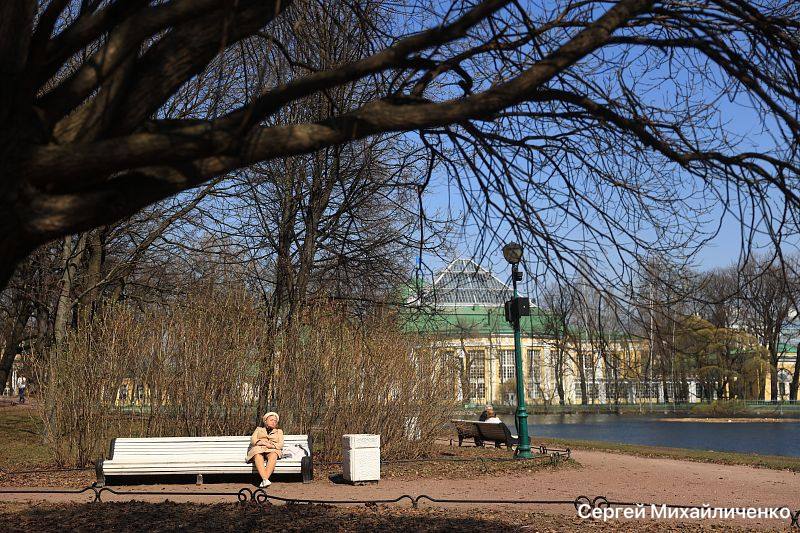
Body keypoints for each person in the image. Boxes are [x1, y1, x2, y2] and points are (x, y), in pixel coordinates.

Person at [246, 411, 284, 488]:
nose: (274, 422)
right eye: (271, 420)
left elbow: (280, 444)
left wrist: (271, 445)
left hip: (272, 449)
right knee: (257, 455)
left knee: (274, 455)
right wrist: (261, 442)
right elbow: (253, 439)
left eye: (275, 421)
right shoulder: (259, 429)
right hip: (259, 448)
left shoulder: (279, 431)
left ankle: (265, 480)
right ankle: (265, 479)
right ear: (266, 421)